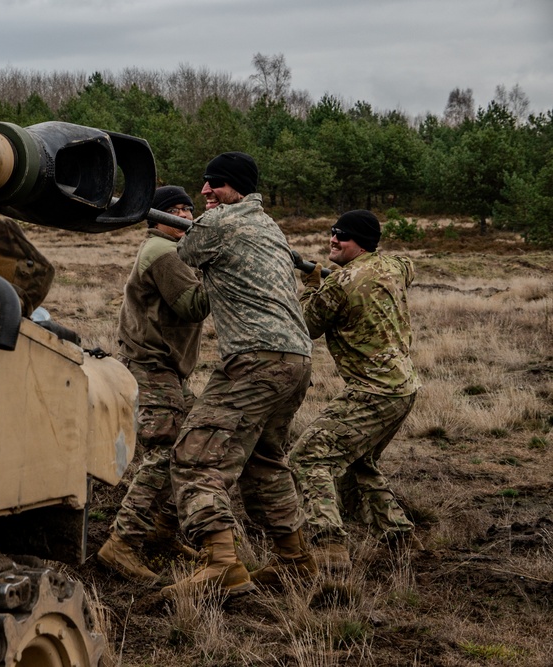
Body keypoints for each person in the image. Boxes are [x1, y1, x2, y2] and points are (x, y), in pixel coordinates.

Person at [162, 152, 316, 598]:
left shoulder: (222, 222)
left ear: (238, 189)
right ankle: (295, 560)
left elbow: (186, 250)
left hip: (254, 361)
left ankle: (221, 565)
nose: (206, 191)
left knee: (197, 457)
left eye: (217, 184)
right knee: (264, 462)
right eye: (205, 183)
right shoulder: (269, 226)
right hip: (296, 360)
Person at [290, 210, 421, 574]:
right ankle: (399, 537)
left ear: (360, 242)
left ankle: (329, 547)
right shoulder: (394, 266)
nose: (333, 240)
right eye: (332, 233)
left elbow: (303, 327)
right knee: (357, 459)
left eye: (342, 237)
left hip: (373, 391)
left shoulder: (339, 285)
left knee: (310, 458)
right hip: (404, 387)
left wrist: (314, 284)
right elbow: (409, 267)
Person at [96, 186, 211, 581]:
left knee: (190, 446)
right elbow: (192, 304)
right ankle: (122, 542)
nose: (185, 217)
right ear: (157, 218)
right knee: (165, 453)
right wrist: (232, 272)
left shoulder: (172, 251)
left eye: (189, 210)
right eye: (176, 210)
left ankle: (162, 530)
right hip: (151, 366)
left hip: (167, 369)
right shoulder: (161, 252)